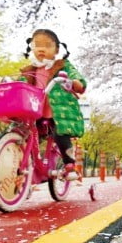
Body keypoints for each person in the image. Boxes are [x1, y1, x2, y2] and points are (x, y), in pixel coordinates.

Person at [20, 29, 86, 180]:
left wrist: (76, 83)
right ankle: (28, 166)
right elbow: (21, 84)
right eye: (37, 45)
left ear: (56, 50)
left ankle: (70, 165)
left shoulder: (63, 65)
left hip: (57, 110)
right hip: (35, 109)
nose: (41, 49)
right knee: (25, 133)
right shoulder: (30, 70)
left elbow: (77, 77)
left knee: (59, 133)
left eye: (47, 45)